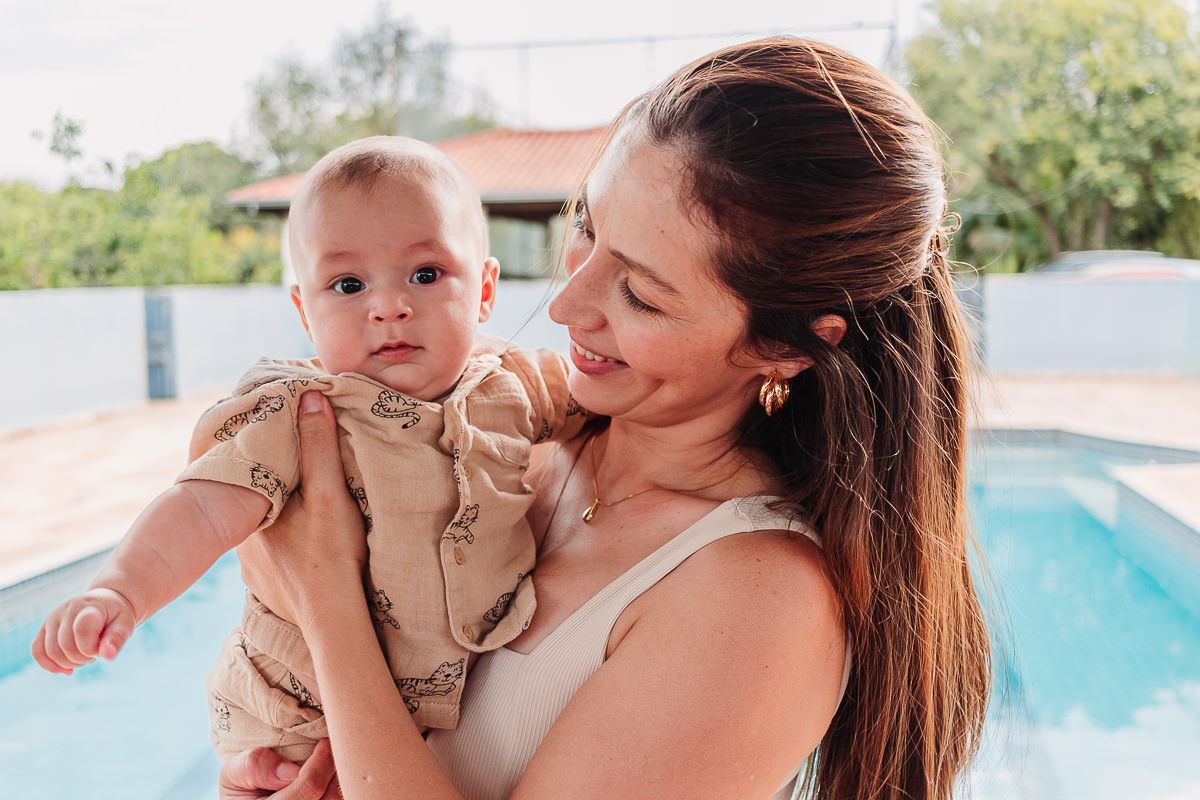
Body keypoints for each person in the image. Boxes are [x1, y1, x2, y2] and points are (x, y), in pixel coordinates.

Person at [220, 36, 991, 800]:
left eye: (642, 295)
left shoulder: (756, 604)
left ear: (784, 345)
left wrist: (328, 604)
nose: (565, 305)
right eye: (586, 228)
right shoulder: (508, 442)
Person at [31, 136, 584, 763]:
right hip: (299, 712)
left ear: (485, 290)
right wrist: (120, 592)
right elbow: (204, 509)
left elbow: (610, 404)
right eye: (348, 284)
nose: (389, 307)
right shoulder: (297, 413)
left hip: (455, 711)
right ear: (304, 309)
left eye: (425, 275)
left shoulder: (517, 383)